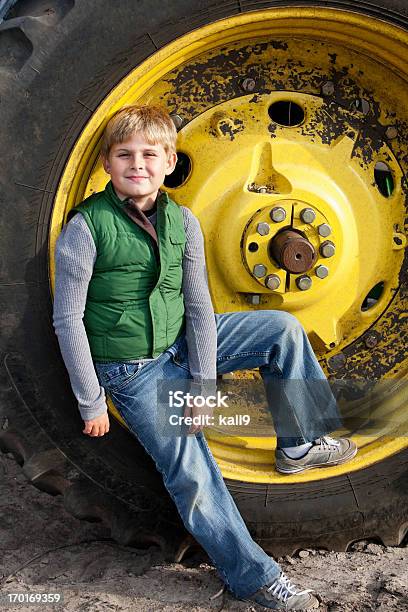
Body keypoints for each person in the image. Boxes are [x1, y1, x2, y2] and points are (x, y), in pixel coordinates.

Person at [53, 105, 357, 610]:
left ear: (169, 161)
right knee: (191, 470)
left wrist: (201, 385)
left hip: (181, 342)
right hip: (132, 370)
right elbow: (68, 320)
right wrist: (90, 400)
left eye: (150, 154)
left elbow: (198, 306)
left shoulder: (183, 221)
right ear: (106, 164)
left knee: (281, 328)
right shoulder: (88, 227)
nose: (137, 165)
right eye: (124, 155)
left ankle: (299, 443)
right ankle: (255, 579)